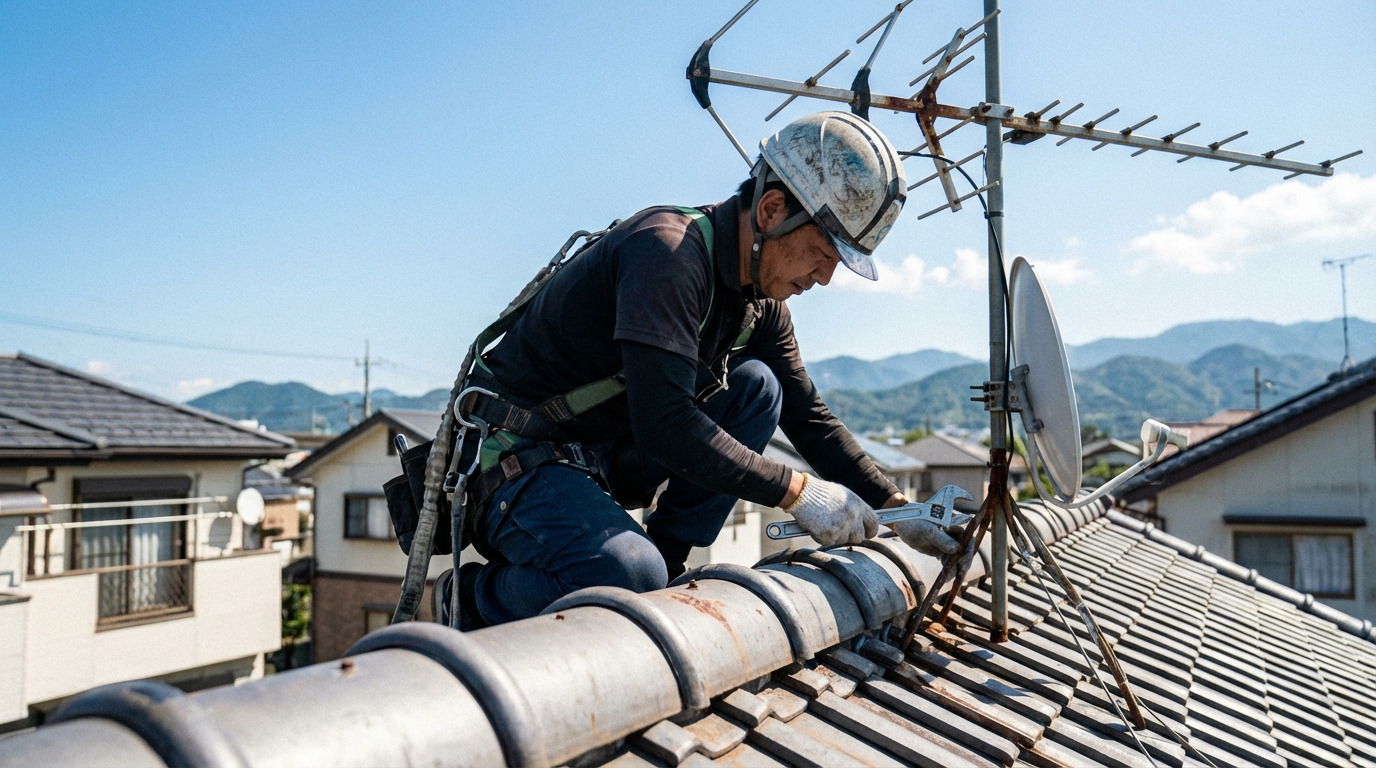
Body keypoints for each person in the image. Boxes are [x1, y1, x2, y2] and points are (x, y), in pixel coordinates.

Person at [439, 111, 968, 629]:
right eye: (822, 253)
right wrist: (798, 492)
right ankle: (473, 599)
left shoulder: (759, 303)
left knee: (757, 388)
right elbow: (663, 421)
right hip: (511, 460)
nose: (824, 278)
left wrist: (897, 507)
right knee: (623, 575)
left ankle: (662, 569)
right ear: (772, 209)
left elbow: (808, 416)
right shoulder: (667, 255)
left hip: (593, 457)